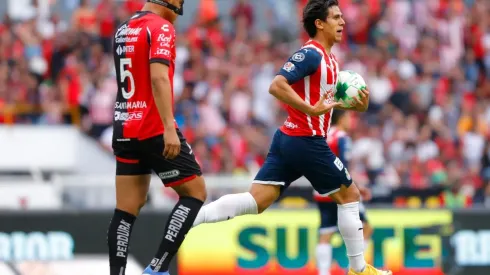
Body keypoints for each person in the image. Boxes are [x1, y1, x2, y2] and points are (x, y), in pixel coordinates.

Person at [192, 0, 392, 274]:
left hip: (290, 139)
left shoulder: (332, 61)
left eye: (342, 16)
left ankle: (191, 216)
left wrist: (356, 104)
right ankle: (360, 270)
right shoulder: (311, 54)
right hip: (306, 139)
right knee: (350, 195)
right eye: (335, 17)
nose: (342, 22)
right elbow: (277, 85)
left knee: (257, 201)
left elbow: (326, 103)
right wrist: (309, 109)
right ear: (319, 23)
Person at [106, 1, 207, 275]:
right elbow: (159, 78)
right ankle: (157, 268)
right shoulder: (161, 27)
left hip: (125, 126)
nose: (180, 10)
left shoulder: (124, 28)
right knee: (195, 192)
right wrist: (169, 127)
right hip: (152, 128)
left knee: (126, 209)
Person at [314, 110, 373, 275]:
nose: (351, 121)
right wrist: (356, 188)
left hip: (321, 190)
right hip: (341, 191)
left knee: (326, 232)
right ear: (342, 119)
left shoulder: (322, 135)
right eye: (349, 117)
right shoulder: (342, 137)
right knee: (366, 228)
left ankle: (323, 272)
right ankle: (355, 270)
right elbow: (343, 166)